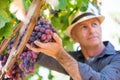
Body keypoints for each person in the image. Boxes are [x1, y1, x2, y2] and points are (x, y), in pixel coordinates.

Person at [10, 1, 120, 80]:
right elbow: (41, 56)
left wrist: (60, 53)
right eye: (84, 27)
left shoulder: (117, 58)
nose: (91, 31)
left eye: (94, 24)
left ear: (100, 28)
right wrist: (27, 27)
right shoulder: (75, 58)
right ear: (74, 37)